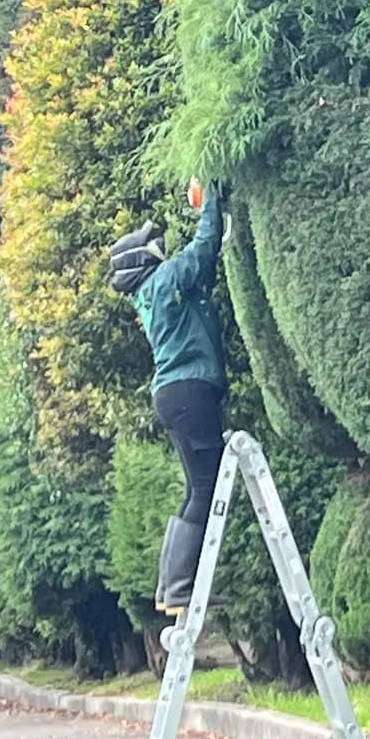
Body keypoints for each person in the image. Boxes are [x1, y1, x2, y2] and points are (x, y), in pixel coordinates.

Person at [108, 178, 227, 616]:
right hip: (189, 390)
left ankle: (170, 588)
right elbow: (202, 249)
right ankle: (178, 588)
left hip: (175, 394)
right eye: (154, 243)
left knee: (196, 488)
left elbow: (203, 271)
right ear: (142, 259)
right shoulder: (161, 283)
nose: (159, 245)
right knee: (205, 488)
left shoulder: (154, 294)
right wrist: (211, 196)